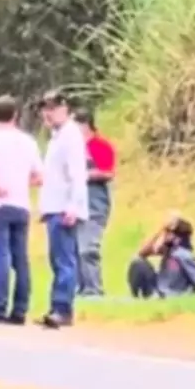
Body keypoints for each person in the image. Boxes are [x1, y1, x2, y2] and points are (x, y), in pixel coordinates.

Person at [0, 95, 43, 325]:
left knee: (0, 257)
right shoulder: (28, 142)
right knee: (20, 258)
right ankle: (20, 308)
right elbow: (39, 177)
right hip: (21, 204)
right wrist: (21, 182)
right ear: (16, 115)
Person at [37, 91, 89, 328]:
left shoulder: (70, 135)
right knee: (57, 259)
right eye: (45, 109)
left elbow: (77, 173)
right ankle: (56, 306)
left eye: (53, 108)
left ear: (64, 109)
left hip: (64, 207)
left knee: (64, 260)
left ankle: (62, 308)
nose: (48, 113)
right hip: (54, 206)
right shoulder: (56, 137)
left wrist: (73, 206)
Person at [73, 109, 116, 297]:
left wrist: (85, 175)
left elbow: (108, 172)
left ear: (85, 125)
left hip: (95, 201)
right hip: (76, 202)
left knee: (88, 248)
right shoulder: (73, 147)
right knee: (75, 248)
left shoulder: (99, 145)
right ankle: (81, 289)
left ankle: (94, 290)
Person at [128, 214, 195, 298]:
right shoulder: (168, 250)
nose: (165, 235)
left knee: (137, 262)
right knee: (138, 263)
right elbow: (141, 253)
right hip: (159, 290)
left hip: (171, 294)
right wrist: (160, 230)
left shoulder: (183, 255)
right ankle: (136, 297)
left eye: (168, 232)